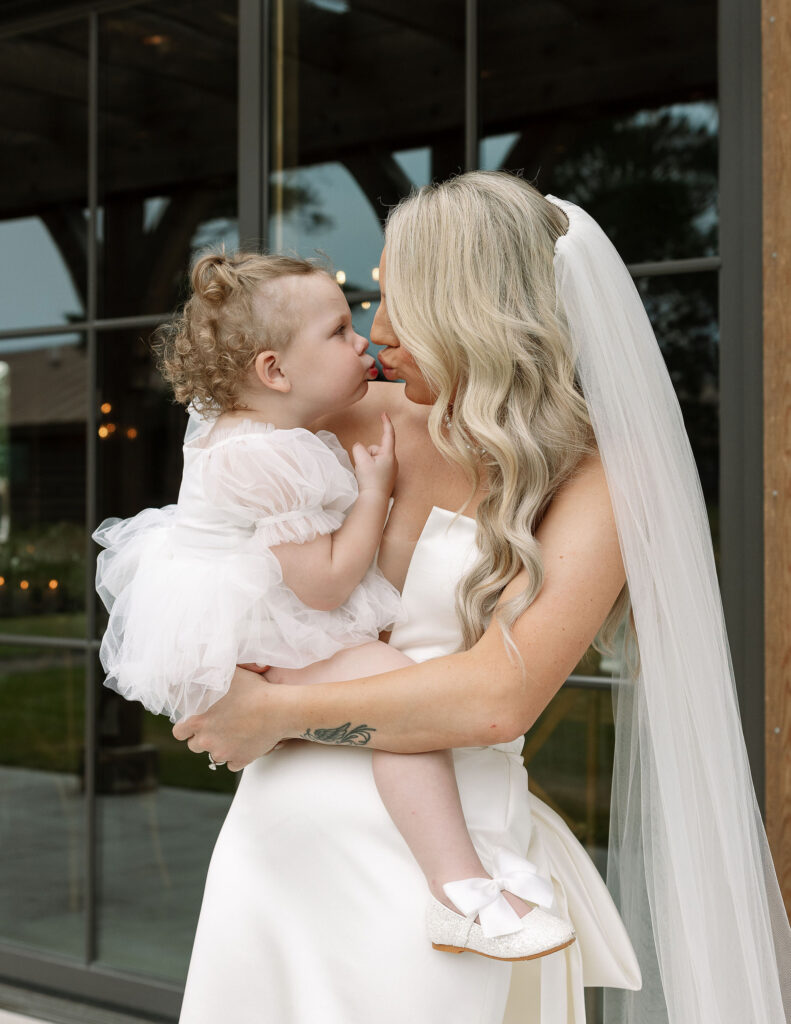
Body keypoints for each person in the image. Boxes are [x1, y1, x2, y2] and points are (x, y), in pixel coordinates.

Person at [175, 171, 791, 1023]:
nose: (376, 331)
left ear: (473, 313)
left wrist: (272, 712)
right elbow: (215, 506)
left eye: (403, 301)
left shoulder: (602, 482)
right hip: (276, 846)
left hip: (442, 876)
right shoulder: (353, 417)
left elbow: (498, 698)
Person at [92, 250, 575, 967]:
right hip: (249, 640)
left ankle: (460, 879)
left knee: (384, 675)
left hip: (256, 641)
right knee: (387, 673)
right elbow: (323, 585)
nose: (366, 339)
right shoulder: (268, 454)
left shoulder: (272, 428)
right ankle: (456, 886)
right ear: (274, 372)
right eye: (339, 330)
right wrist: (374, 494)